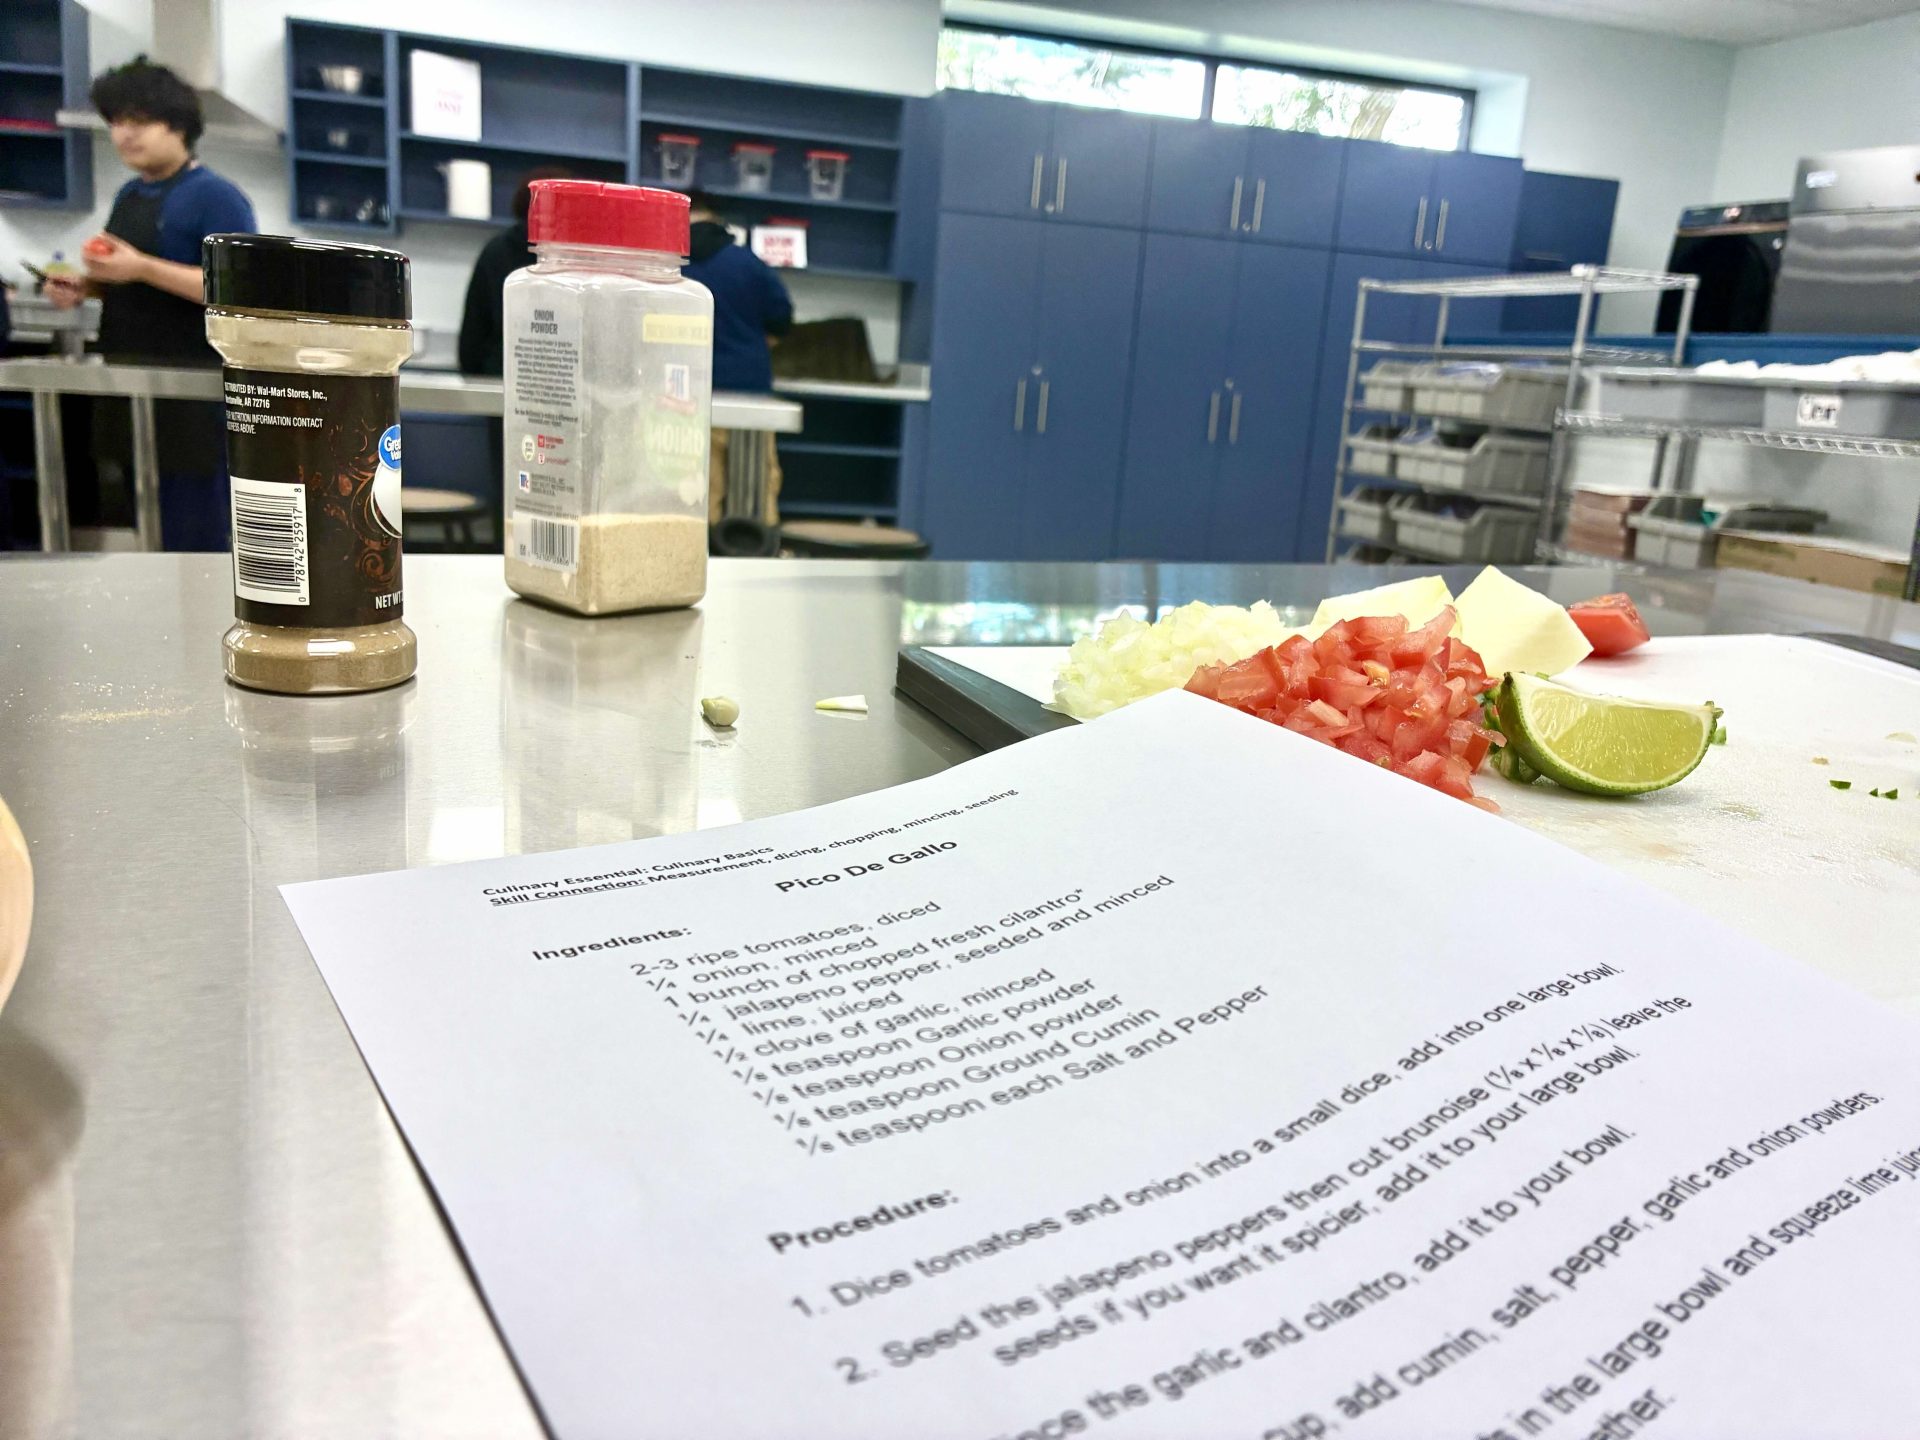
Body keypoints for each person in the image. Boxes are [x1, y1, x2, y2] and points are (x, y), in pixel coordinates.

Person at [46, 57, 255, 550]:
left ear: (177, 126)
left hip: (192, 396)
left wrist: (140, 267)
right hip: (129, 385)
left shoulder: (215, 197)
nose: (124, 135)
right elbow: (132, 282)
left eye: (139, 122)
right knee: (141, 533)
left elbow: (239, 292)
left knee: (194, 538)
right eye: (116, 122)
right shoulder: (128, 196)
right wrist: (88, 286)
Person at [681, 191, 793, 527]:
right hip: (749, 394)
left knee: (695, 491)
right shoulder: (747, 263)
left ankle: (696, 566)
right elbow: (782, 319)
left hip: (682, 394)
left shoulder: (666, 262)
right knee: (755, 491)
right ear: (715, 218)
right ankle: (755, 556)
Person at [458, 168, 571, 377]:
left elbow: (471, 344)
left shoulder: (496, 251)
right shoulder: (577, 260)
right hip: (564, 387)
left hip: (499, 385)